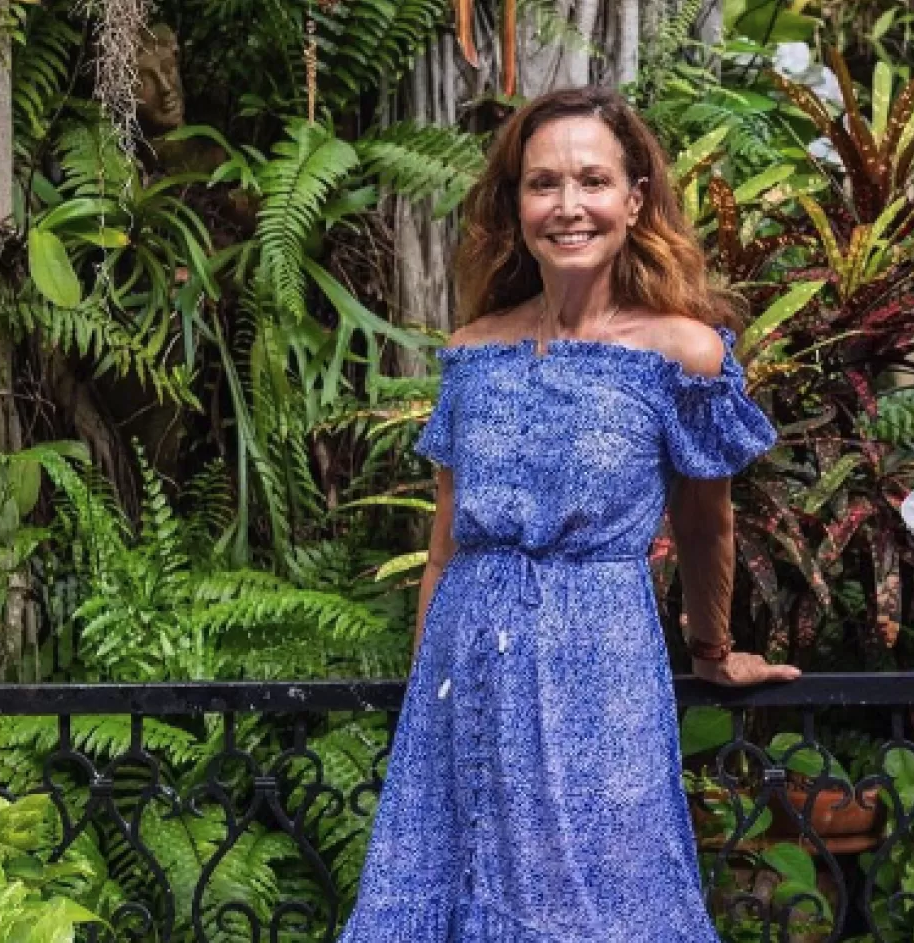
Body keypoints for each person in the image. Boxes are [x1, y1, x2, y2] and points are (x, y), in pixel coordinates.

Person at [338, 86, 800, 942]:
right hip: (464, 674)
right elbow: (444, 550)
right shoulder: (475, 350)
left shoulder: (682, 351)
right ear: (516, 206)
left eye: (592, 180)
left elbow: (706, 523)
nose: (568, 205)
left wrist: (713, 649)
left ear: (636, 198)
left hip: (600, 665)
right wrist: (423, 711)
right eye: (543, 183)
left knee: (601, 905)